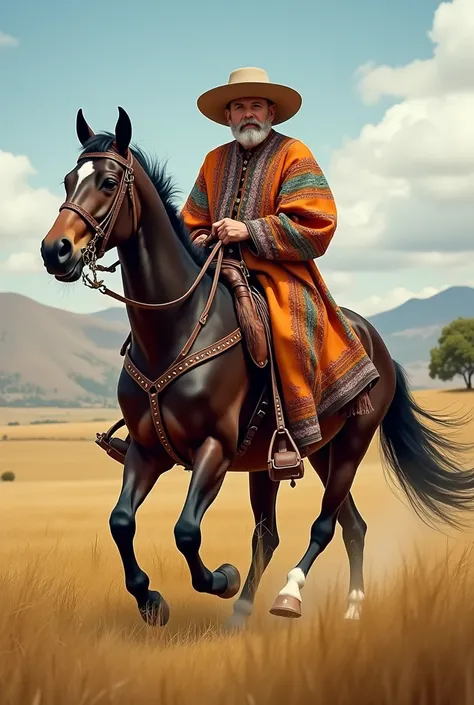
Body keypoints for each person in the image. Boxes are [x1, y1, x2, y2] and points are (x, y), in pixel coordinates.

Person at [180, 67, 380, 458]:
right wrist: (200, 238)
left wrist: (249, 231)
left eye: (256, 105)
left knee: (288, 330)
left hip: (280, 272)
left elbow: (317, 222)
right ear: (228, 116)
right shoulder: (212, 160)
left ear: (271, 113)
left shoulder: (294, 153)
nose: (247, 114)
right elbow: (191, 221)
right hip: (217, 269)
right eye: (239, 107)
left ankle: (292, 429)